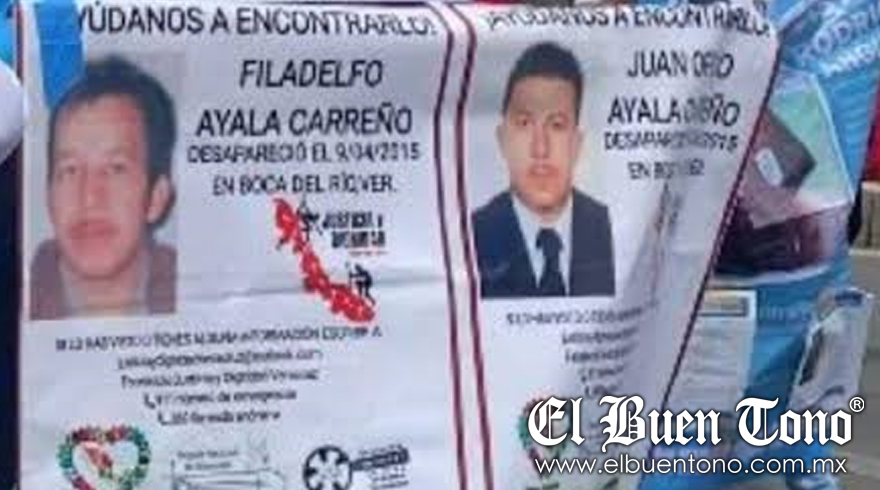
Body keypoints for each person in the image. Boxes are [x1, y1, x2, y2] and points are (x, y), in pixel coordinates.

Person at [30, 56, 177, 320]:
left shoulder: (200, 292)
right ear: (49, 196)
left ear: (156, 198)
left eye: (115, 169)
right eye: (70, 170)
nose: (89, 197)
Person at [471, 42, 615, 299]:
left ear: (577, 143)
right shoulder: (472, 234)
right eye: (525, 123)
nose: (540, 148)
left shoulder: (610, 227)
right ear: (503, 139)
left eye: (557, 125)